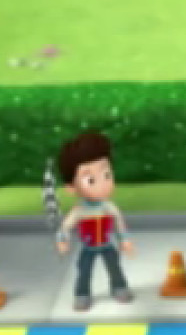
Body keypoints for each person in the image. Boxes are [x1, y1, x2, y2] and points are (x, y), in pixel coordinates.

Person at [54, 129, 135, 310]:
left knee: (114, 266)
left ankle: (119, 286)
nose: (103, 184)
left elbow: (119, 224)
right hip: (88, 248)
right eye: (91, 180)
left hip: (107, 245)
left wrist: (125, 240)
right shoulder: (79, 211)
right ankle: (82, 293)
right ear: (71, 188)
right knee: (84, 270)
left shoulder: (109, 207)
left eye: (107, 175)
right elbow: (65, 227)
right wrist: (62, 240)